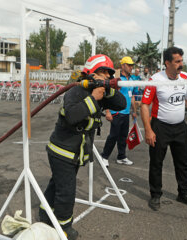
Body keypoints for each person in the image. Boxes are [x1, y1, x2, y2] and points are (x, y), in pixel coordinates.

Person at [39, 54, 126, 239]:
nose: (105, 77)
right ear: (90, 73)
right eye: (101, 72)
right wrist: (93, 98)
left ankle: (45, 214)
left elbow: (121, 103)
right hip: (62, 151)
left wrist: (108, 89)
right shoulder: (76, 91)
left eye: (108, 74)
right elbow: (72, 116)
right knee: (66, 190)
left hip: (75, 152)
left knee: (57, 184)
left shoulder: (102, 93)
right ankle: (63, 227)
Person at [141, 46, 187, 211]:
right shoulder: (155, 80)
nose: (181, 64)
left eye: (182, 60)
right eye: (177, 61)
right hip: (160, 128)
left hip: (180, 128)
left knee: (182, 163)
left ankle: (184, 193)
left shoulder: (185, 77)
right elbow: (144, 105)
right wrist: (148, 129)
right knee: (156, 163)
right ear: (167, 63)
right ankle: (155, 195)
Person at [101, 56, 137, 166]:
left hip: (126, 112)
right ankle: (104, 156)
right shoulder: (116, 78)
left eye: (132, 65)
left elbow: (132, 96)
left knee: (123, 136)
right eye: (129, 65)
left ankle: (121, 156)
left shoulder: (131, 79)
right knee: (113, 135)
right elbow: (106, 95)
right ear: (123, 65)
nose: (131, 67)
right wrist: (107, 111)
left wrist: (134, 111)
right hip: (116, 112)